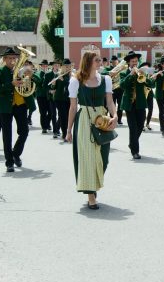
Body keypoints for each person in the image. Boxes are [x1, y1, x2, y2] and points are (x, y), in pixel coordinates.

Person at [66, 51, 117, 210]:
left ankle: (93, 185)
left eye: (100, 60)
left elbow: (110, 102)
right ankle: (90, 196)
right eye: (97, 60)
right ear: (88, 62)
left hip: (102, 120)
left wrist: (115, 116)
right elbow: (73, 107)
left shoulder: (106, 79)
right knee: (87, 159)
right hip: (84, 120)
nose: (100, 62)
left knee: (104, 158)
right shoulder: (76, 81)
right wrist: (68, 130)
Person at [0, 48, 29, 173]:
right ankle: (9, 162)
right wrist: (11, 84)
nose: (12, 60)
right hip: (5, 106)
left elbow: (32, 83)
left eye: (14, 58)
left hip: (20, 105)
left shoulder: (20, 71)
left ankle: (16, 153)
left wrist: (29, 77)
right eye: (10, 58)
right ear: (4, 59)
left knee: (24, 131)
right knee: (7, 135)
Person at [120, 51, 152, 159]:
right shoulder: (124, 73)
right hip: (129, 104)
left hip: (140, 103)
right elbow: (122, 85)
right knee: (133, 128)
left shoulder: (141, 72)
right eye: (133, 61)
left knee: (140, 126)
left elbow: (151, 84)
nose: (135, 63)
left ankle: (132, 143)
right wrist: (130, 74)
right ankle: (135, 151)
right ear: (129, 62)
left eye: (136, 61)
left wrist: (146, 76)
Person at [53, 59, 72, 143]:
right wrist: (53, 84)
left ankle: (67, 133)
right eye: (66, 66)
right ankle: (64, 134)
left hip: (68, 99)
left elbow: (69, 85)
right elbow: (54, 88)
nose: (67, 68)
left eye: (69, 66)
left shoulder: (71, 75)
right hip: (59, 99)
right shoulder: (57, 75)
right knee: (63, 116)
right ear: (62, 67)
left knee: (68, 117)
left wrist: (63, 80)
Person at [34, 59, 51, 134]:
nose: (45, 67)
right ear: (41, 66)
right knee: (43, 112)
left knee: (50, 112)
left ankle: (47, 123)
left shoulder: (50, 73)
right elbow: (38, 83)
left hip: (48, 95)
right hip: (40, 95)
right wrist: (44, 77)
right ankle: (44, 127)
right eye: (43, 65)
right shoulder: (37, 74)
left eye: (46, 65)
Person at [108, 56, 125, 125]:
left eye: (116, 62)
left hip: (120, 89)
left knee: (120, 105)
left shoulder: (121, 68)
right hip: (112, 89)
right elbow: (107, 73)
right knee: (113, 105)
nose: (114, 63)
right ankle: (112, 119)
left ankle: (119, 119)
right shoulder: (108, 69)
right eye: (113, 62)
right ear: (111, 62)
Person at [139, 61, 155, 131]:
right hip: (142, 94)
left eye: (148, 68)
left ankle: (148, 123)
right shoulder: (140, 74)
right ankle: (142, 125)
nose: (147, 69)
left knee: (150, 109)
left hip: (149, 93)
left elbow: (153, 86)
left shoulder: (150, 75)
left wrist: (153, 79)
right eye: (145, 67)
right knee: (143, 110)